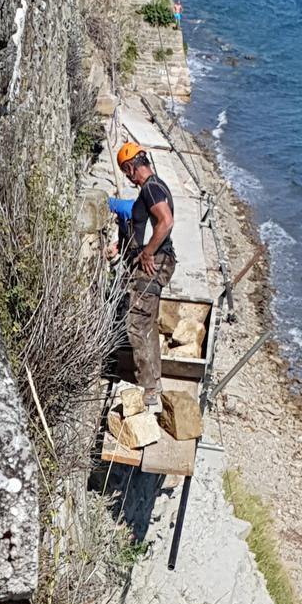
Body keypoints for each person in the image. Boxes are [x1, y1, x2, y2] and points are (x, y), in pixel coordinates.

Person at [116, 142, 176, 408]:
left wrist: (148, 252)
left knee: (136, 324)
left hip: (156, 261)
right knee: (148, 323)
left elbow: (166, 221)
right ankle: (154, 381)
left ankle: (147, 389)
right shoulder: (157, 185)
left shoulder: (151, 188)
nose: (127, 177)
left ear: (131, 167)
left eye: (126, 171)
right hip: (160, 261)